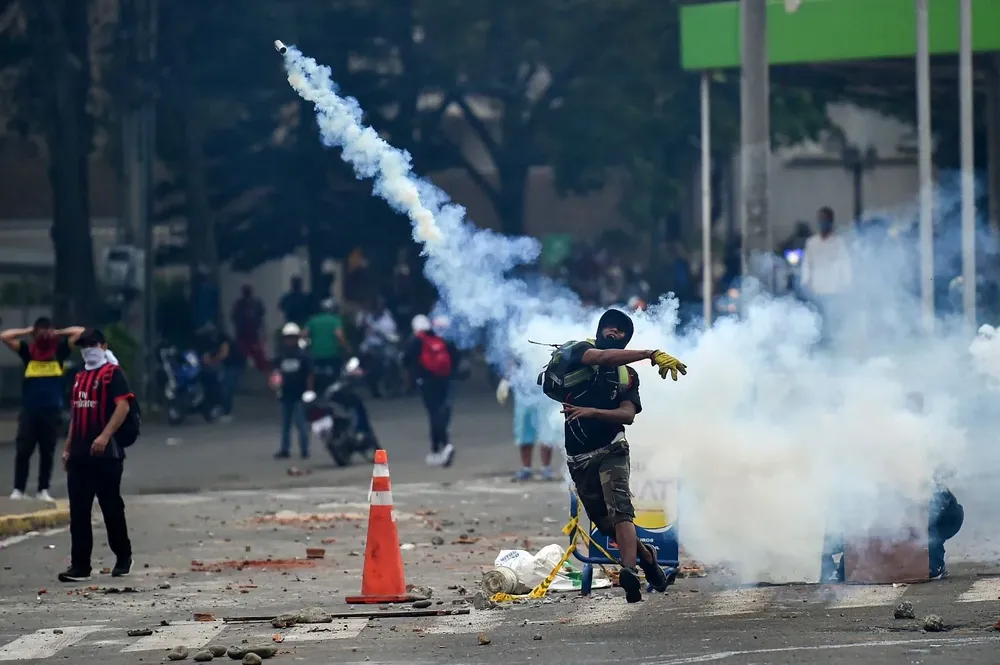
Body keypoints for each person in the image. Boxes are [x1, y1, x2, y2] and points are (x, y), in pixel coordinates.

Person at [541, 308, 686, 602]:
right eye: (609, 326)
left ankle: (629, 571)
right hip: (579, 456)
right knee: (606, 524)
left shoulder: (627, 377)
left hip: (613, 448)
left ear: (625, 340)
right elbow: (603, 357)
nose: (614, 332)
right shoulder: (579, 350)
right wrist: (650, 353)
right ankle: (648, 558)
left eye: (620, 331)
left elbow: (627, 415)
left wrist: (593, 412)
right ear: (599, 331)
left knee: (621, 510)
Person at [58, 329, 135, 582]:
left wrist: (104, 436)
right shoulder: (79, 377)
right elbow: (76, 415)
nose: (88, 349)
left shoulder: (113, 374)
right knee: (78, 512)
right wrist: (68, 448)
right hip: (80, 455)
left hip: (107, 456)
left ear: (103, 345)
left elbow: (123, 406)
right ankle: (80, 565)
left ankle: (123, 557)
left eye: (93, 344)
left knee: (111, 508)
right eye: (84, 345)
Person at [1, 318, 84, 501]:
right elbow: (5, 336)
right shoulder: (27, 352)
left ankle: (43, 489)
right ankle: (18, 490)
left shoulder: (59, 351)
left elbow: (81, 332)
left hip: (51, 410)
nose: (45, 334)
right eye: (42, 330)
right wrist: (28, 331)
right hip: (30, 410)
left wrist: (58, 332)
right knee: (23, 450)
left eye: (48, 330)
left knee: (47, 451)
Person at [403, 314, 457, 467]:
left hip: (426, 380)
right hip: (443, 379)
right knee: (440, 410)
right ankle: (436, 449)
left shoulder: (415, 340)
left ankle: (444, 445)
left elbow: (405, 360)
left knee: (434, 414)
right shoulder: (439, 338)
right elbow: (454, 355)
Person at [497, 363, 558, 482]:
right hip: (523, 392)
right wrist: (506, 379)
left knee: (546, 431)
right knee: (524, 431)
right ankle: (526, 468)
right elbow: (512, 361)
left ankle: (546, 467)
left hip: (543, 392)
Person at [801, 206, 853, 346]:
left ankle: (835, 343)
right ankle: (820, 343)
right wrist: (805, 282)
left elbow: (845, 263)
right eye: (821, 219)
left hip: (835, 289)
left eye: (825, 219)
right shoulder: (811, 243)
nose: (822, 222)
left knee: (833, 319)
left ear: (831, 221)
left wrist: (847, 283)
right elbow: (807, 264)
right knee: (819, 319)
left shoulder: (839, 242)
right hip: (817, 289)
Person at [271, 323, 313, 460]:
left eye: (293, 337)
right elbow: (276, 373)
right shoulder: (281, 356)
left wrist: (309, 391)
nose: (290, 340)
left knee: (301, 424)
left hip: (299, 394)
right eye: (288, 338)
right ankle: (285, 449)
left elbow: (309, 374)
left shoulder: (303, 355)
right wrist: (276, 386)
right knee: (285, 425)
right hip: (285, 394)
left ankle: (304, 450)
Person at [357, 296, 400, 398]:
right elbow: (359, 326)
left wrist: (376, 330)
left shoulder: (387, 320)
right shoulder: (367, 316)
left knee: (393, 361)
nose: (377, 309)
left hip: (383, 347)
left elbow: (391, 335)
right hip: (369, 347)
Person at [304, 299, 349, 395]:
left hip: (315, 354)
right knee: (339, 371)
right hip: (332, 354)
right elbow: (339, 336)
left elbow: (304, 335)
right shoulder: (335, 320)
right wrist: (346, 346)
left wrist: (308, 345)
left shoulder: (313, 320)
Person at [230, 284, 270, 374]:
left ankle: (265, 375)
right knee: (241, 357)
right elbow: (234, 319)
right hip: (242, 335)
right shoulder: (239, 304)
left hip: (254, 334)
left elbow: (261, 319)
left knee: (259, 357)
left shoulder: (257, 303)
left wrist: (263, 332)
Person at [193, 323, 228, 419]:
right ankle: (211, 410)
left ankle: (217, 410)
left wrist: (211, 360)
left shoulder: (221, 338)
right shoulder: (203, 341)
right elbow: (204, 358)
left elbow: (223, 354)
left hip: (216, 368)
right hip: (208, 370)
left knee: (219, 389)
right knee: (211, 390)